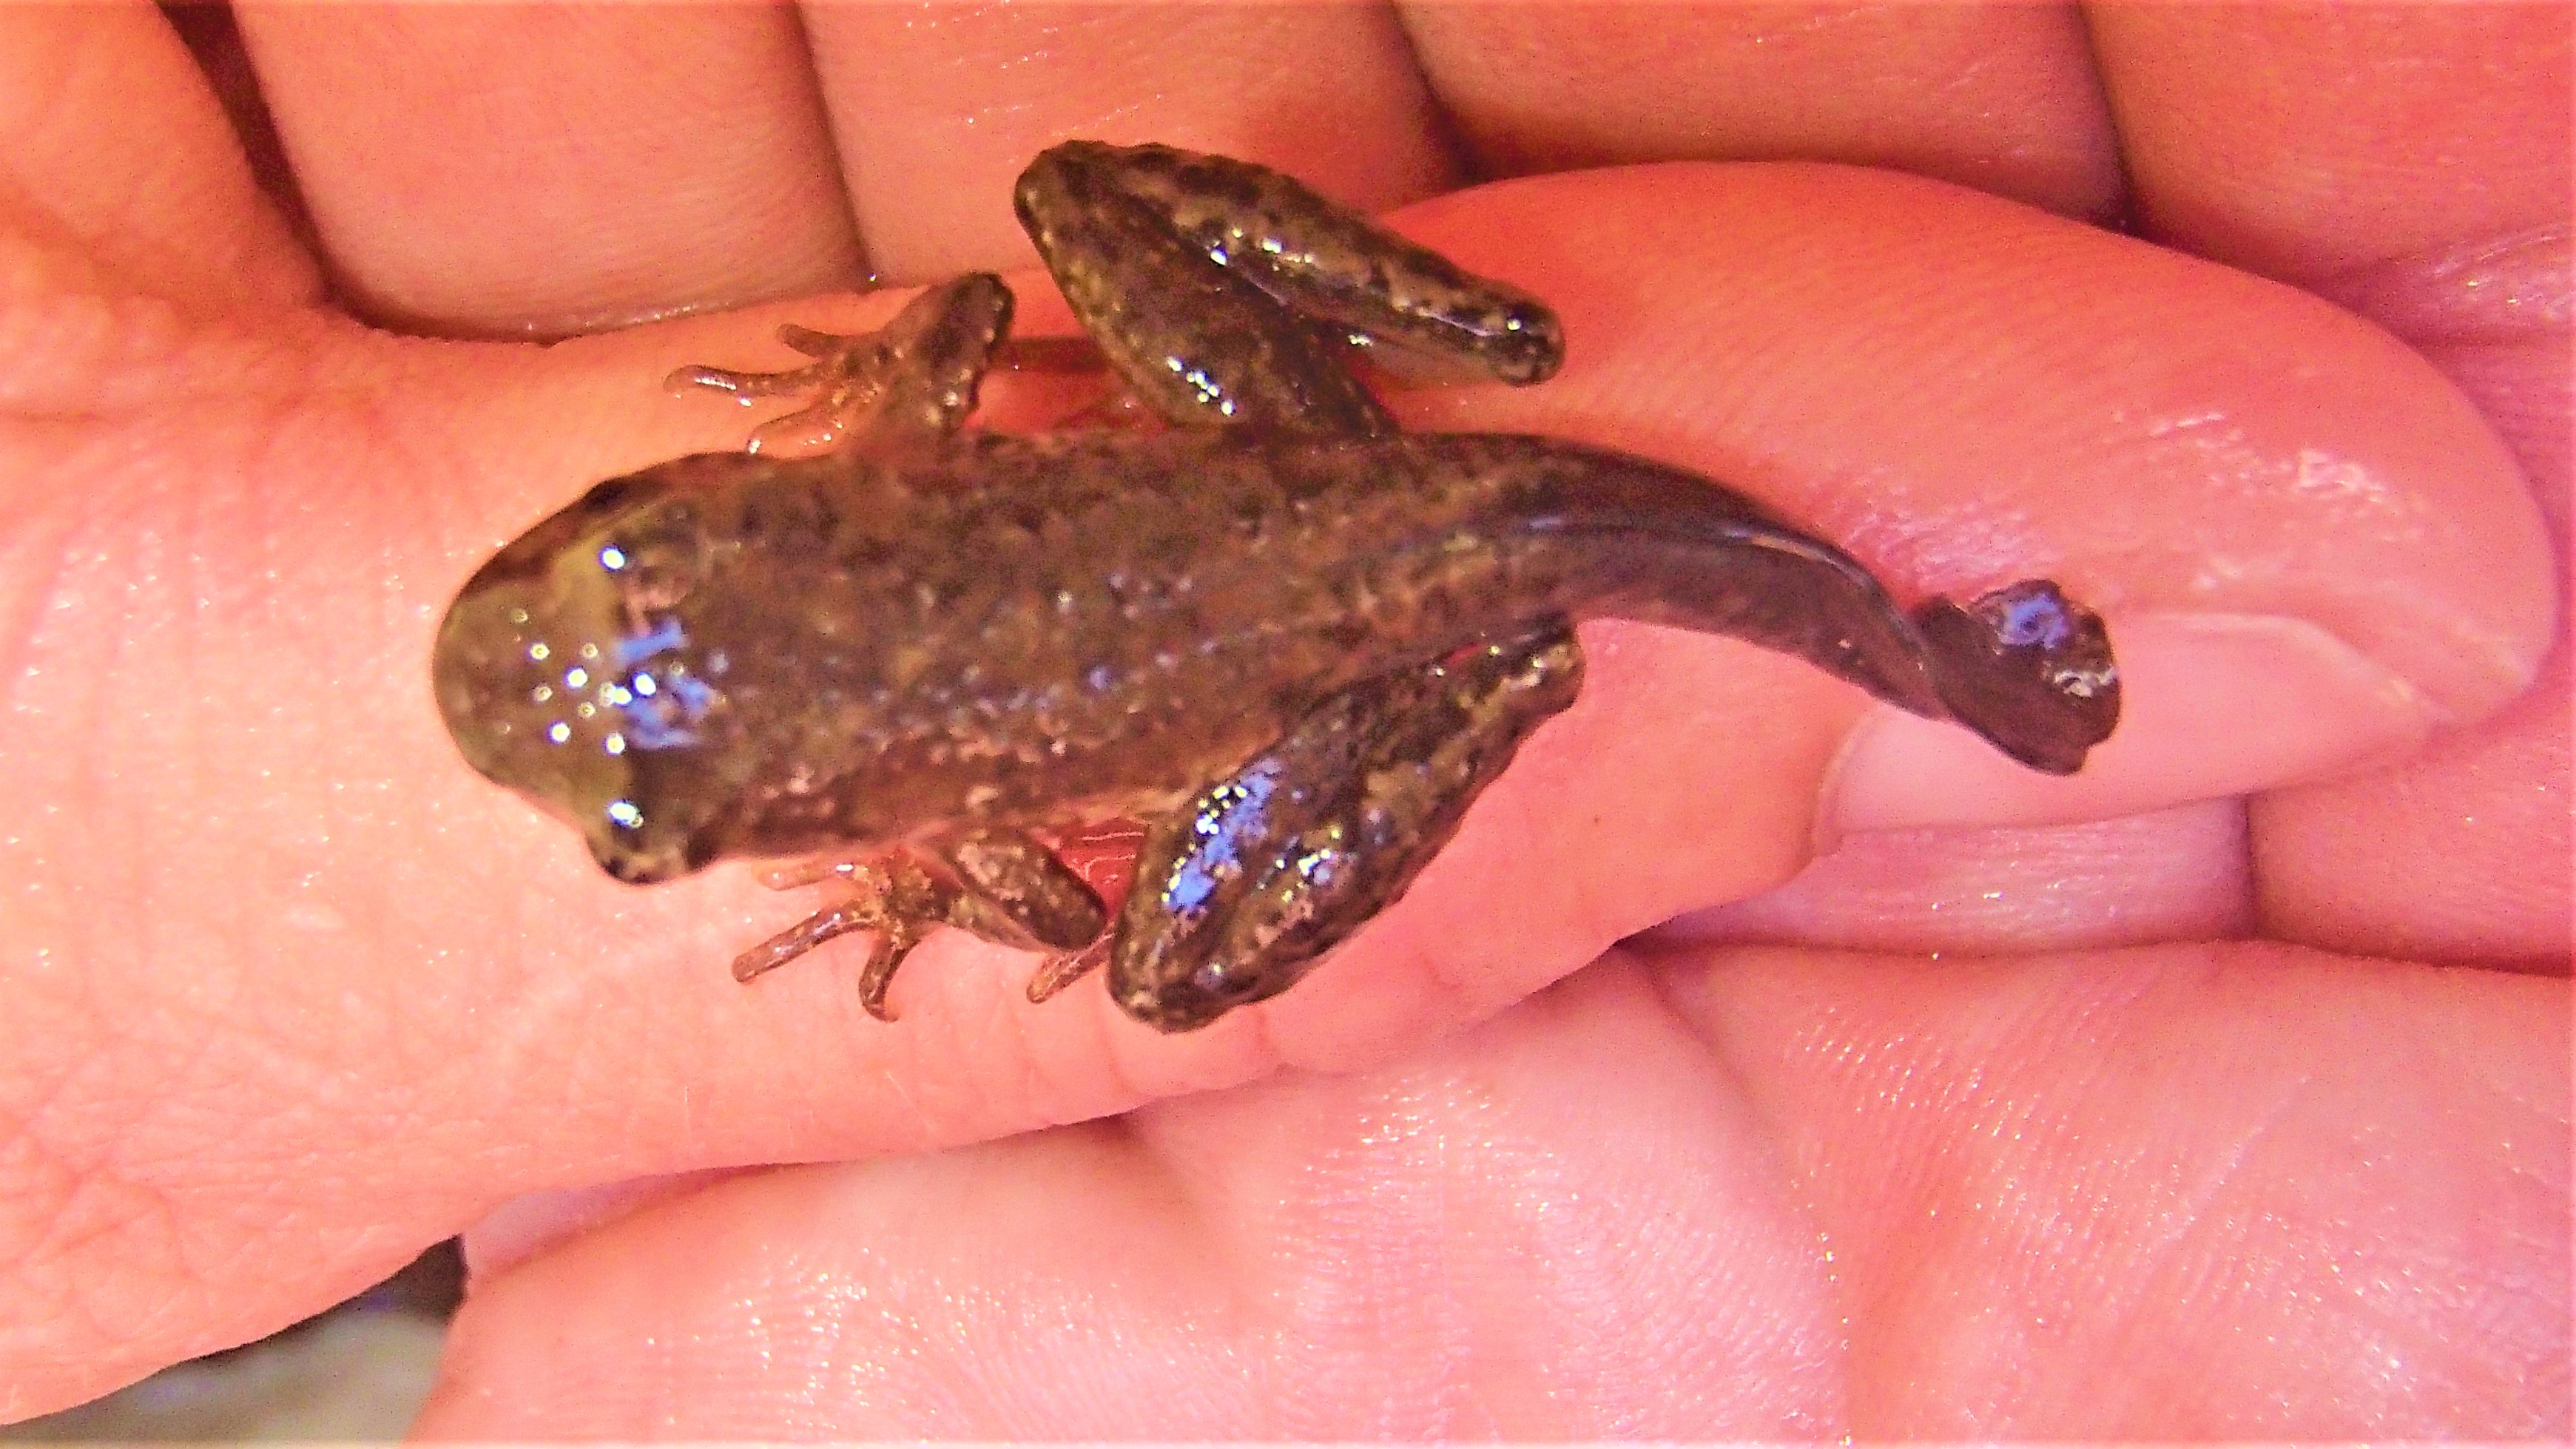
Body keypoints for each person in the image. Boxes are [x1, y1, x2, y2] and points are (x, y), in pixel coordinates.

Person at [1, 4, 2563, 1434]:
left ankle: (1552, 635)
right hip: (1276, 467)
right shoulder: (870, 472)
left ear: (682, 517)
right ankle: (1497, 417)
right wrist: (875, 430)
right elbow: (933, 342)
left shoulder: (943, 803)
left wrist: (911, 877)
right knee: (1083, 229)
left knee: (1160, 974)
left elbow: (1015, 872)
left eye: (615, 544)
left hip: (1298, 577)